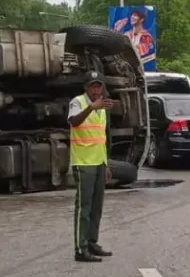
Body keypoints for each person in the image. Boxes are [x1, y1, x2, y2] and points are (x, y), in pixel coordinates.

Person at [67, 71, 114, 263]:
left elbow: (101, 138)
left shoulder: (102, 106)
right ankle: (80, 248)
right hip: (83, 162)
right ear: (86, 87)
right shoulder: (77, 102)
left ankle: (92, 242)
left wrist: (107, 164)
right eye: (93, 86)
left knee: (96, 208)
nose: (96, 90)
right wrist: (91, 107)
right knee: (83, 207)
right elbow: (73, 121)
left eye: (99, 86)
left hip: (98, 162)